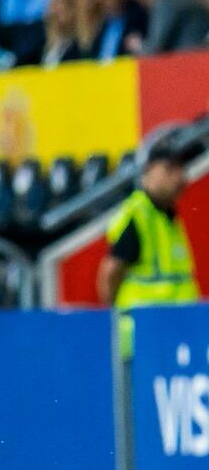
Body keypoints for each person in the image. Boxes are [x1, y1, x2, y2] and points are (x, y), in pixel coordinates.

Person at [98, 138, 199, 358]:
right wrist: (116, 317)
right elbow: (109, 273)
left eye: (181, 169)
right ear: (149, 171)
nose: (179, 177)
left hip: (174, 335)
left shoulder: (167, 216)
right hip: (144, 339)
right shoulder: (138, 215)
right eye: (169, 169)